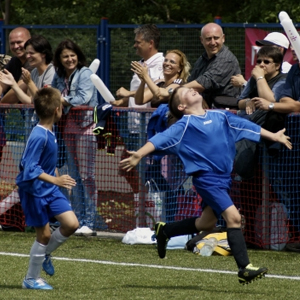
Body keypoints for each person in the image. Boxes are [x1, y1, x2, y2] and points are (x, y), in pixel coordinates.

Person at [120, 86, 292, 284]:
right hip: (207, 180)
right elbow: (160, 139)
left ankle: (165, 231)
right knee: (233, 218)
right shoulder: (184, 125)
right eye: (184, 91)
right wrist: (139, 154)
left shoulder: (221, 116)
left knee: (206, 223)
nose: (191, 89)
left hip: (224, 179)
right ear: (182, 106)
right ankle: (244, 268)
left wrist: (274, 136)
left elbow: (248, 127)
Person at [16, 87, 79, 290]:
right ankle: (30, 279)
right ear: (58, 110)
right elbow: (29, 168)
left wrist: (58, 180)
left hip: (50, 188)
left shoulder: (51, 130)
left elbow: (47, 163)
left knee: (71, 224)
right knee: (43, 235)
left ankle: (45, 254)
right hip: (33, 191)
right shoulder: (39, 135)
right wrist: (56, 181)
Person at [52, 39, 107, 234]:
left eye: (72, 55)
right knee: (73, 176)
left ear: (78, 56)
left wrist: (61, 99)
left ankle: (89, 222)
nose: (69, 59)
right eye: (65, 56)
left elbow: (83, 98)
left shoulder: (85, 73)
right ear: (59, 59)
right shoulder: (59, 75)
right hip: (68, 128)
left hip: (86, 128)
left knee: (87, 176)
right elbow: (52, 93)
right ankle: (76, 219)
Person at [111, 24, 164, 210]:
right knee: (128, 169)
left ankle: (155, 212)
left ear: (150, 43)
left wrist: (127, 93)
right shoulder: (141, 64)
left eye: (138, 42)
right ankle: (143, 206)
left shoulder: (160, 63)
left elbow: (154, 91)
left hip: (149, 128)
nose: (134, 45)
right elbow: (139, 96)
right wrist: (123, 102)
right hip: (135, 128)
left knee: (150, 173)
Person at [184, 22, 241, 109]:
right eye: (208, 39)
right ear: (201, 40)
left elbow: (205, 83)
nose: (213, 42)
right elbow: (191, 81)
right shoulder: (202, 59)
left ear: (223, 38)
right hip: (206, 109)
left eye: (216, 38)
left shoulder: (226, 59)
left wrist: (177, 90)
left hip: (225, 112)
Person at [0, 35, 55, 104]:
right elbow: (30, 101)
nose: (28, 56)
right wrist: (13, 84)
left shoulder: (51, 72)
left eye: (31, 53)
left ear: (43, 54)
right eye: (27, 53)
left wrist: (29, 83)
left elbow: (44, 102)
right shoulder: (34, 72)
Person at [237, 46, 286, 116]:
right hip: (250, 118)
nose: (261, 64)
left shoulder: (283, 80)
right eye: (259, 61)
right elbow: (239, 102)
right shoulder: (254, 77)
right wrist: (247, 102)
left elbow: (271, 101)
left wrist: (260, 78)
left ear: (277, 66)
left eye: (266, 62)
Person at [0, 27, 33, 102]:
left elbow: (18, 90)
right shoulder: (14, 61)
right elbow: (2, 82)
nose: (16, 46)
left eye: (19, 42)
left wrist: (1, 105)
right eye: (12, 43)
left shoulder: (34, 62)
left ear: (30, 41)